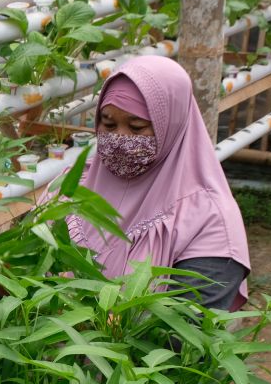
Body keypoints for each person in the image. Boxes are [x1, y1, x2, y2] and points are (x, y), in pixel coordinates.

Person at [68, 56, 250, 311]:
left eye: (137, 127)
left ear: (171, 126)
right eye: (108, 124)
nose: (120, 139)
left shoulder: (211, 222)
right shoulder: (73, 185)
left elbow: (183, 333)